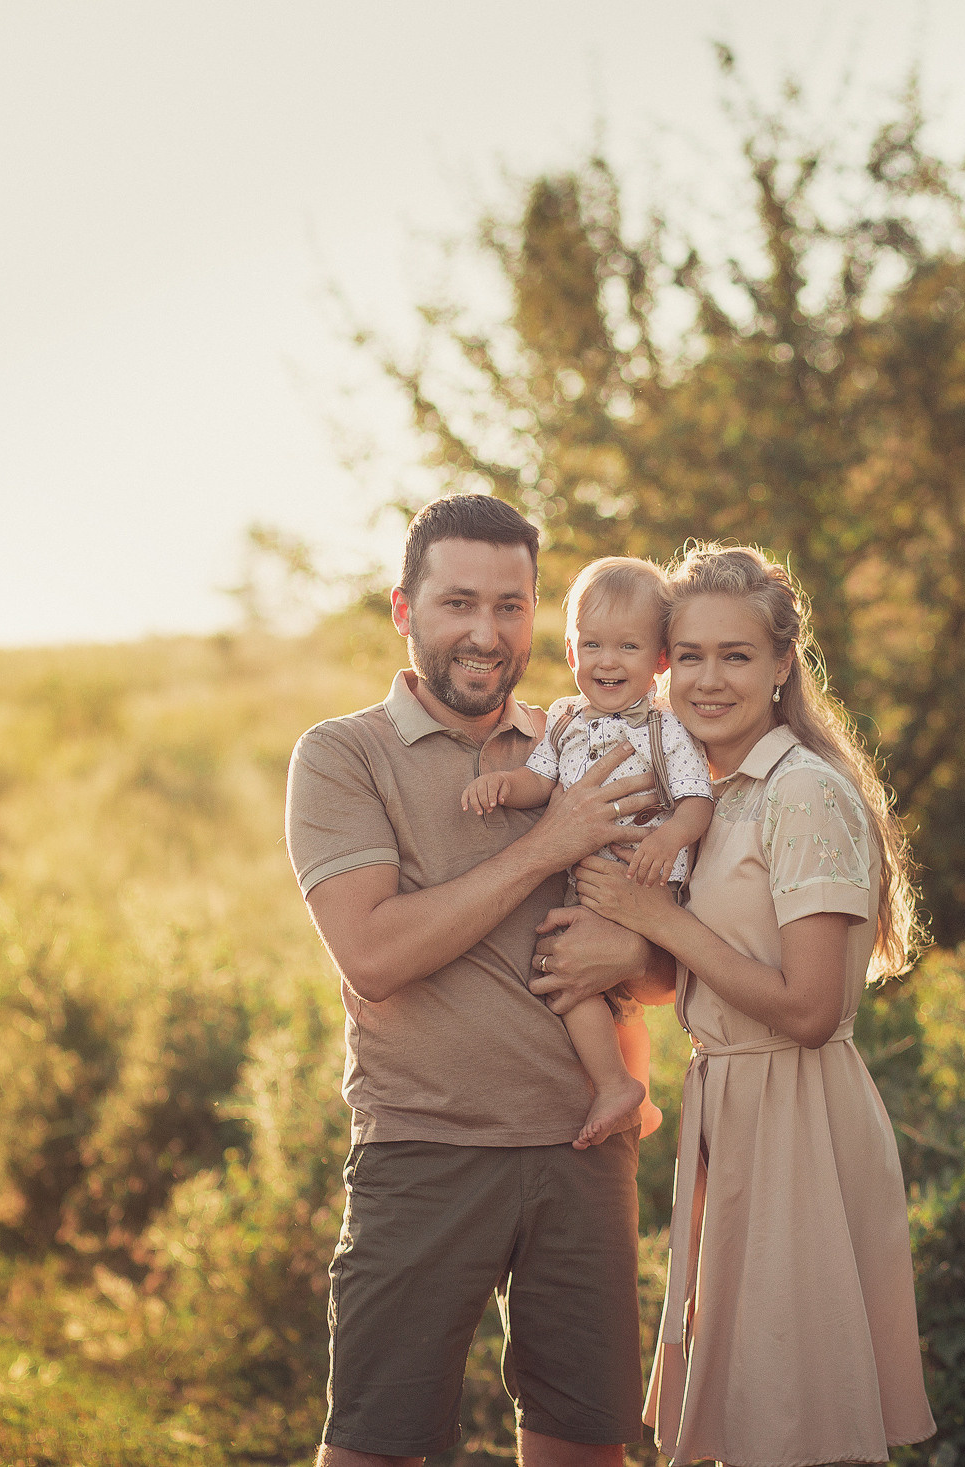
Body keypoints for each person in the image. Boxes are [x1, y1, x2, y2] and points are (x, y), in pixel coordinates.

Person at [284, 494, 673, 1467]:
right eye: (459, 603)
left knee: (586, 1450)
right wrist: (549, 841)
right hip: (424, 1148)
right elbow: (371, 955)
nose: (486, 633)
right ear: (403, 610)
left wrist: (633, 953)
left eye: (511, 606)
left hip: (585, 1150)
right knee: (377, 1450)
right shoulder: (343, 756)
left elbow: (665, 966)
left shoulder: (581, 744)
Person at [571, 543, 938, 1467]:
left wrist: (657, 916)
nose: (707, 678)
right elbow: (696, 975)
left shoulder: (803, 793)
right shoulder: (714, 796)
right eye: (688, 654)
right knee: (743, 1415)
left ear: (782, 667)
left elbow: (811, 1008)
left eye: (735, 655)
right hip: (726, 1107)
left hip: (800, 1112)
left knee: (795, 1417)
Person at [463, 555, 715, 1148]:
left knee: (564, 967)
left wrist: (666, 839)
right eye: (593, 645)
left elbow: (696, 802)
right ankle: (632, 1090)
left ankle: (616, 1086)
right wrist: (503, 786)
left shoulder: (666, 728)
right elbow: (541, 782)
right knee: (589, 975)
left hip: (645, 873)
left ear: (658, 660)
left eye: (627, 647)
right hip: (592, 878)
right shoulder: (564, 719)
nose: (608, 661)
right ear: (572, 654)